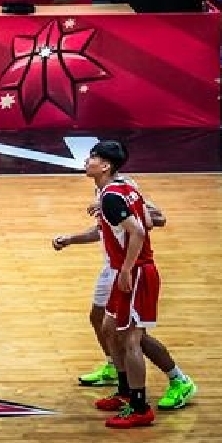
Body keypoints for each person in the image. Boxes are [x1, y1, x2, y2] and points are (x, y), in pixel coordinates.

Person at [64, 142, 195, 427]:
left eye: (93, 157)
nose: (87, 160)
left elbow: (139, 230)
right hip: (127, 269)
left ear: (106, 166)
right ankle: (125, 391)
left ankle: (140, 406)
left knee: (132, 338)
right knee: (109, 328)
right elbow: (146, 220)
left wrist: (125, 270)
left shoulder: (113, 196)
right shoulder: (122, 190)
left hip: (135, 273)